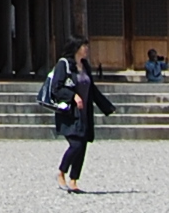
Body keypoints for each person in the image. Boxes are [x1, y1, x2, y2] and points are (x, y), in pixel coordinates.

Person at [40, 39, 118, 193]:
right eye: (84, 46)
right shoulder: (64, 64)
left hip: (84, 112)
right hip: (70, 112)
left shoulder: (85, 66)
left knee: (82, 145)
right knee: (75, 144)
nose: (87, 49)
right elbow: (57, 87)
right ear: (76, 48)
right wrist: (73, 95)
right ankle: (61, 172)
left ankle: (74, 180)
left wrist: (107, 107)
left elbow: (92, 89)